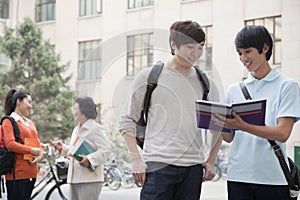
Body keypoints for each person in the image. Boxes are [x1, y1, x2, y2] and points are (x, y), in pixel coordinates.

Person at [119, 20, 222, 200]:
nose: (196, 53)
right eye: (190, 47)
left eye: (200, 47)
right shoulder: (149, 78)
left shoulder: (206, 83)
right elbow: (127, 120)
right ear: (174, 45)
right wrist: (136, 159)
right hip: (158, 167)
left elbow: (218, 125)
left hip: (193, 169)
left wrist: (211, 160)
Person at [214, 25, 300, 200]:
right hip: (238, 176)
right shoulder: (234, 89)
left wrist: (243, 126)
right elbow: (228, 138)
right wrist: (220, 122)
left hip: (272, 179)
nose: (243, 58)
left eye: (248, 51)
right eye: (239, 53)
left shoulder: (287, 86)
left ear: (265, 48)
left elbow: (283, 133)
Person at [50, 96, 112, 200]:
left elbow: (106, 149)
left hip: (90, 179)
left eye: (75, 108)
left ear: (83, 110)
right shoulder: (76, 129)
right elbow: (73, 151)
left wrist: (89, 159)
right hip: (74, 178)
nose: (73, 112)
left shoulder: (95, 128)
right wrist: (62, 148)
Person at [2, 89, 43, 200]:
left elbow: (38, 144)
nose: (30, 106)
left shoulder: (31, 123)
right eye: (28, 102)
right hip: (17, 174)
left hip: (32, 172)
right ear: (19, 102)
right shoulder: (9, 121)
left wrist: (39, 156)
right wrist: (31, 150)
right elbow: (10, 144)